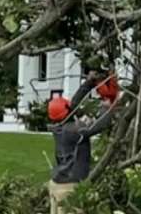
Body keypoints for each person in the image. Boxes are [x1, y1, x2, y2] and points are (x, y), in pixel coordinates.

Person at [47, 71, 122, 214]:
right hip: (70, 186)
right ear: (66, 113)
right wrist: (106, 104)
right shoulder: (75, 130)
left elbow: (72, 105)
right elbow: (101, 124)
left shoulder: (57, 127)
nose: (72, 107)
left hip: (56, 183)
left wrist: (88, 83)